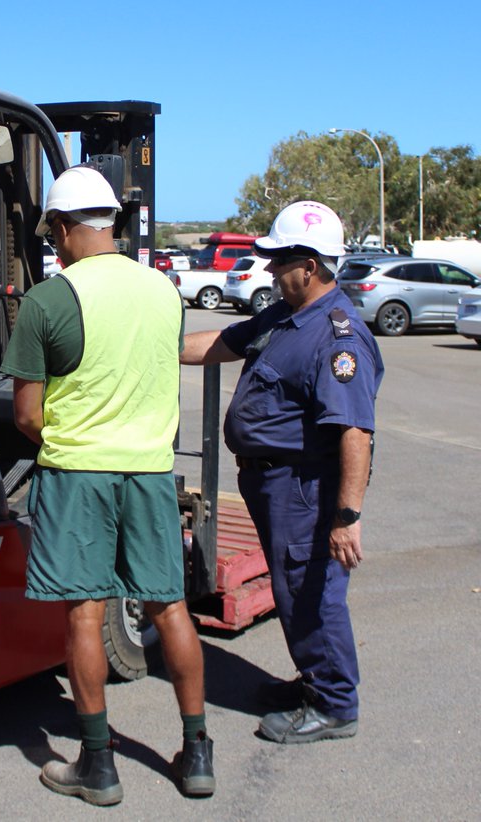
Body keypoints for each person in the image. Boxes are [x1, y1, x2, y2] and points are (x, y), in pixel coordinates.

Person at [2, 166, 213, 804]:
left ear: (64, 229)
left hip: (78, 474)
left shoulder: (48, 299)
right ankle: (197, 750)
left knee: (85, 614)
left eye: (55, 232)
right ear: (113, 224)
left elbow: (26, 415)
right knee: (168, 607)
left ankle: (98, 765)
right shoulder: (164, 291)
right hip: (149, 471)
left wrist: (65, 443)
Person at [180, 200, 383, 744]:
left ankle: (335, 704)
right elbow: (222, 344)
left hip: (305, 489)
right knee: (295, 590)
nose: (269, 270)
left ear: (310, 266)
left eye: (278, 261)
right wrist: (150, 350)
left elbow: (355, 434)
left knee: (312, 592)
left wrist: (345, 517)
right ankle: (315, 681)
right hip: (272, 484)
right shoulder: (285, 317)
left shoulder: (338, 338)